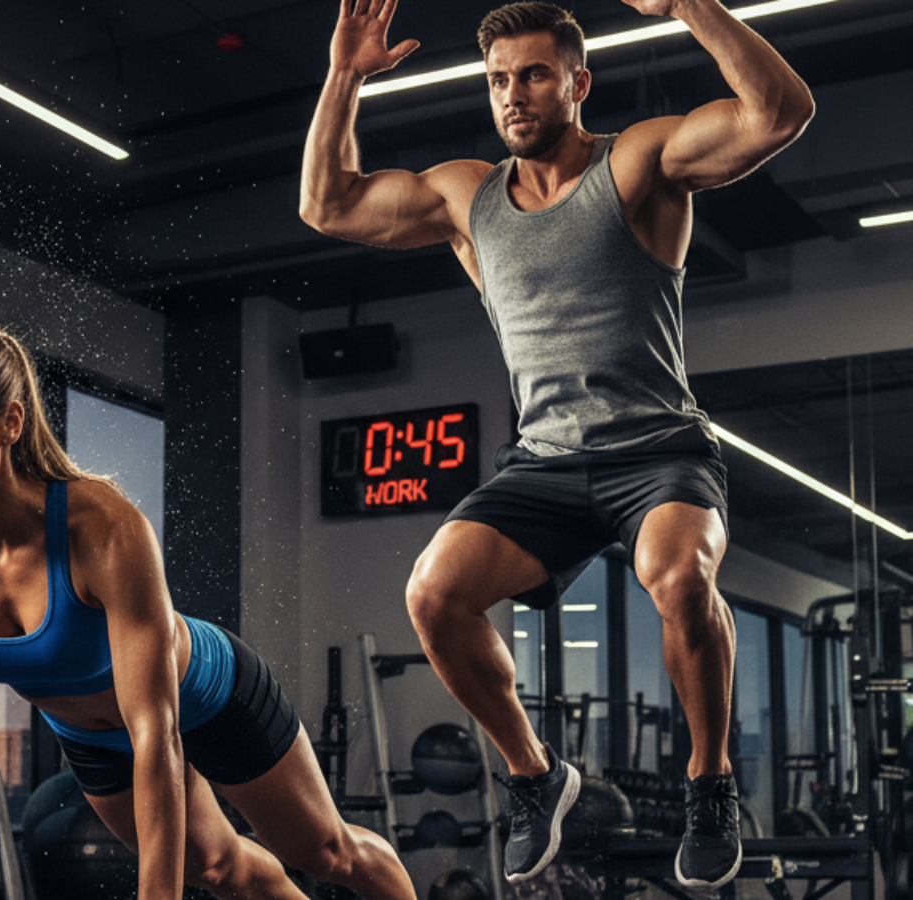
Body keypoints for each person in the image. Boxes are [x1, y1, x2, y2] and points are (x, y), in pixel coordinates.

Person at [300, 0, 813, 890]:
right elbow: (327, 205)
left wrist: (690, 5)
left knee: (679, 576)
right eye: (498, 80)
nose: (514, 96)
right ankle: (538, 777)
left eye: (534, 75)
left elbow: (779, 113)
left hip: (659, 451)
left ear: (579, 82)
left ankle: (710, 783)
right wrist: (344, 76)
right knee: (433, 594)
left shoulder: (640, 162)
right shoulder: (469, 196)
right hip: (544, 463)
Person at [0, 312, 416, 900]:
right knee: (216, 870)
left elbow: (156, 729)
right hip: (91, 738)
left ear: (8, 422)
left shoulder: (101, 528)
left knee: (327, 852)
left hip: (206, 697)